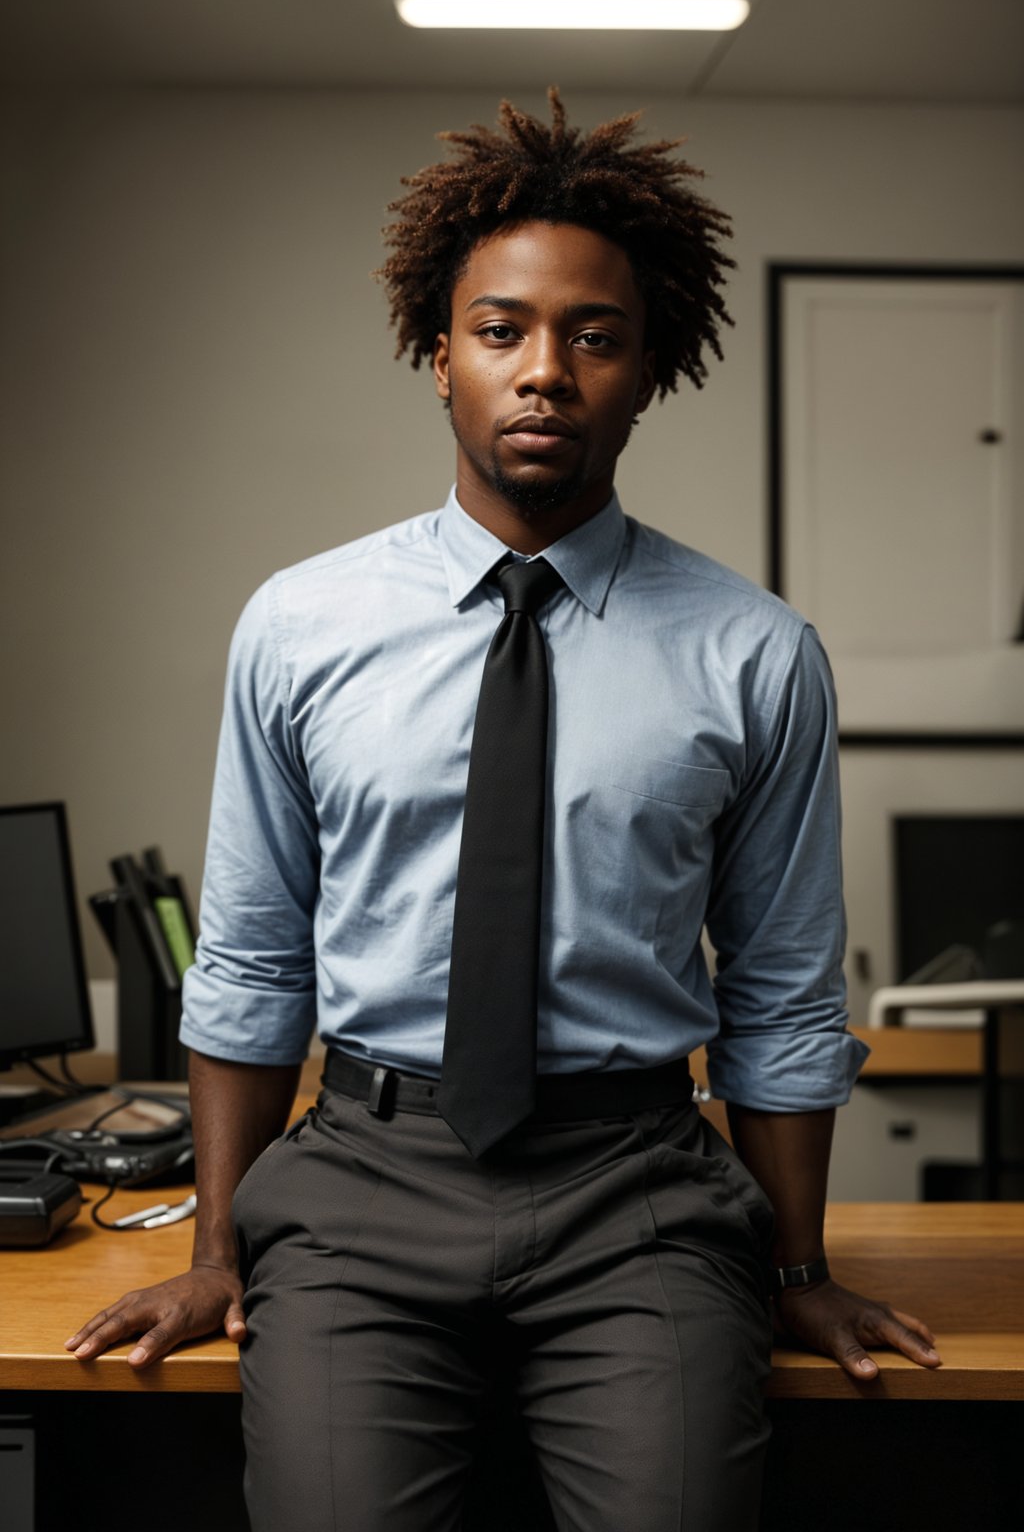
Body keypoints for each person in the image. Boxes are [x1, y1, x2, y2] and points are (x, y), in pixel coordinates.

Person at [66, 91, 941, 1531]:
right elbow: (252, 957)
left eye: (595, 336)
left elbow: (781, 989)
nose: (546, 372)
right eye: (502, 331)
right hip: (358, 1180)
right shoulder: (300, 625)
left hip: (639, 1194)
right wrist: (219, 1249)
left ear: (651, 367)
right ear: (437, 355)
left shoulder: (754, 651)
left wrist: (797, 1271)